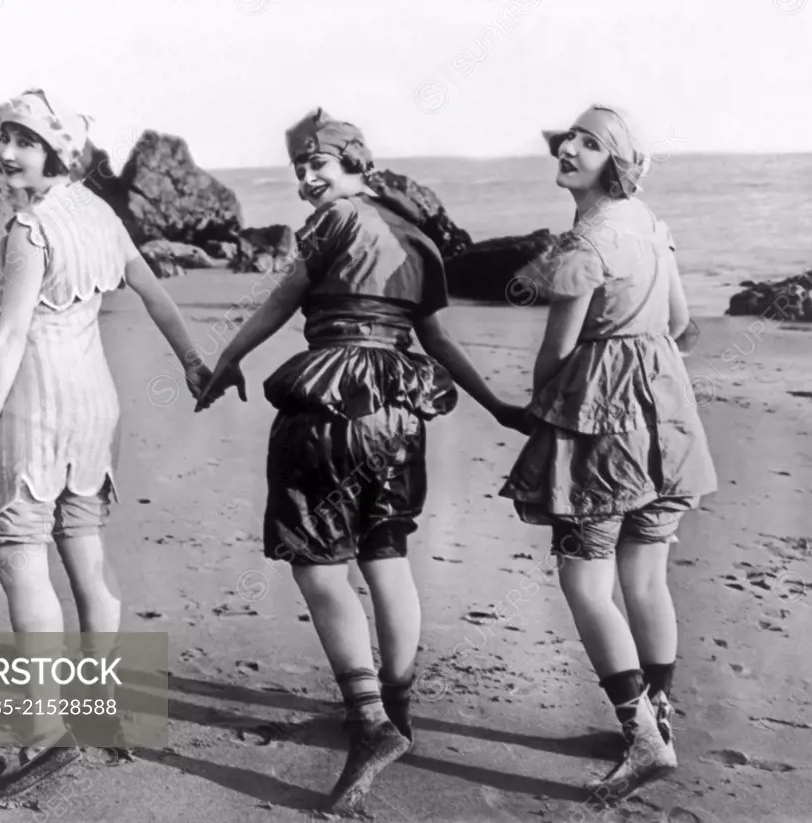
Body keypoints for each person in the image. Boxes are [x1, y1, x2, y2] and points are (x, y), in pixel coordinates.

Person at [195, 108, 529, 813]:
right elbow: (434, 338)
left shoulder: (335, 218)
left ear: (356, 163)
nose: (307, 178)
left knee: (316, 561)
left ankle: (370, 722)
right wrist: (497, 404)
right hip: (402, 409)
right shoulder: (417, 237)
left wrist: (226, 359)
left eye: (318, 163)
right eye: (300, 168)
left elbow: (281, 301)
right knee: (385, 554)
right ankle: (400, 712)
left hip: (332, 401)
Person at [0, 89, 210, 778]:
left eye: (25, 140)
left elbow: (11, 334)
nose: (5, 152)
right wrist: (192, 360)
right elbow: (155, 292)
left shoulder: (28, 227)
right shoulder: (101, 213)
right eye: (5, 137)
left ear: (57, 150)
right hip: (96, 406)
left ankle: (44, 732)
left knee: (21, 559)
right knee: (85, 548)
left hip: (35, 407)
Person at [499, 104, 718, 804]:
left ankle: (642, 736)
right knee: (647, 578)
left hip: (601, 423)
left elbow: (557, 353)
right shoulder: (652, 227)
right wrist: (642, 357)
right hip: (669, 419)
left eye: (588, 143)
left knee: (585, 581)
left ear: (613, 162)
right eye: (567, 138)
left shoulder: (585, 243)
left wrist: (545, 412)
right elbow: (682, 323)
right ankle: (657, 717)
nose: (568, 148)